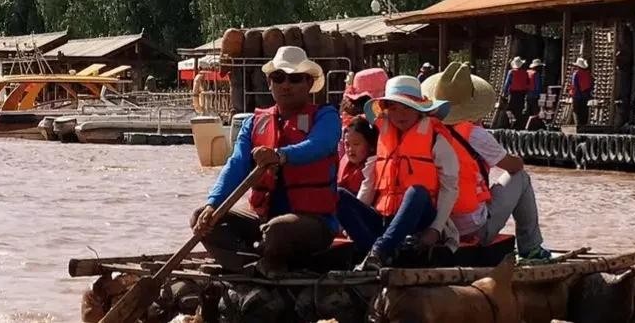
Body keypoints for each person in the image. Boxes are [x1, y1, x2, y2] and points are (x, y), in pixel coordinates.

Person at [193, 46, 339, 276]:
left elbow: (319, 145)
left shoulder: (326, 116)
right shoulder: (253, 123)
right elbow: (236, 165)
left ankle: (264, 264)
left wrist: (280, 155)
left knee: (277, 230)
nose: (286, 85)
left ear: (309, 83)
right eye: (278, 78)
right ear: (270, 83)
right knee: (203, 218)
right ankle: (251, 267)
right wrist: (213, 203)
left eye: (295, 78)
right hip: (263, 219)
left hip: (313, 223)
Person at [340, 76, 472, 269]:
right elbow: (369, 184)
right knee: (338, 195)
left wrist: (435, 229)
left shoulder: (436, 139)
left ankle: (379, 252)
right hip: (385, 220)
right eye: (393, 108)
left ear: (419, 108)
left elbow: (450, 187)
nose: (400, 114)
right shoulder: (383, 136)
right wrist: (354, 218)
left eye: (407, 107)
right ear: (386, 110)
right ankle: (380, 252)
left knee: (416, 192)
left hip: (420, 220)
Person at [428, 63, 552, 260]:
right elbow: (514, 166)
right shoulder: (474, 134)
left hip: (437, 227)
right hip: (471, 229)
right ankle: (531, 247)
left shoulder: (427, 131)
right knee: (521, 177)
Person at [339, 116, 378, 194]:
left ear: (371, 146)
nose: (350, 149)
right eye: (347, 144)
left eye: (356, 144)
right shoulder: (346, 165)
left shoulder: (372, 169)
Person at [502, 58, 532, 129]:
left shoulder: (511, 72)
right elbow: (527, 83)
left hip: (513, 93)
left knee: (509, 108)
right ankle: (518, 125)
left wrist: (504, 92)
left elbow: (507, 83)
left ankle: (511, 121)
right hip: (522, 93)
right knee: (519, 109)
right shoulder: (525, 73)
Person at [567, 57, 593, 127]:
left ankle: (578, 126)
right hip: (585, 96)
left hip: (577, 96)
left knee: (577, 112)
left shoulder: (576, 74)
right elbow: (590, 85)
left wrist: (571, 94)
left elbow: (574, 86)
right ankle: (584, 126)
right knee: (584, 112)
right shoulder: (588, 74)